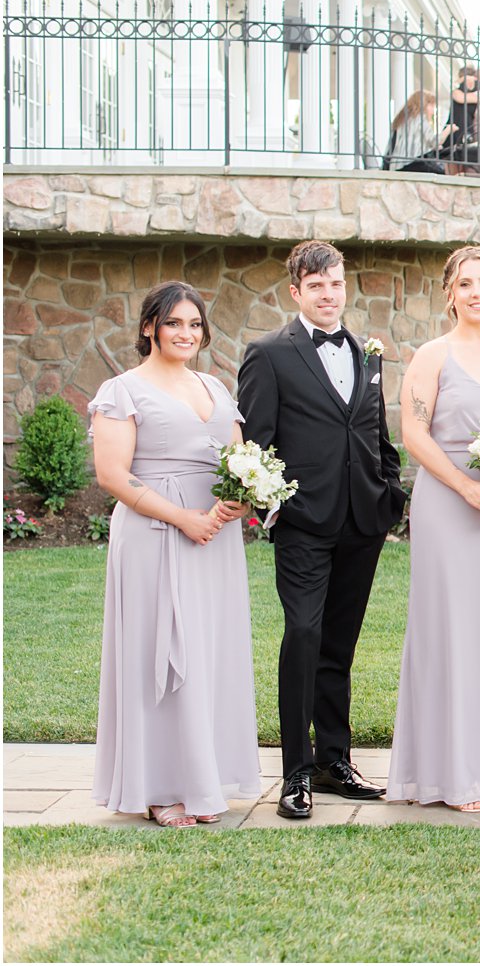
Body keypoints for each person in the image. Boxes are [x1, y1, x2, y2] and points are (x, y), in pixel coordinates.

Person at [237, 240, 408, 820]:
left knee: (339, 647)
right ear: (296, 292)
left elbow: (375, 431)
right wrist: (272, 508)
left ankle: (336, 761)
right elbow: (256, 444)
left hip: (362, 521)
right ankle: (295, 773)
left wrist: (390, 493)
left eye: (335, 283)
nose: (329, 294)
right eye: (316, 286)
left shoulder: (369, 353)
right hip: (304, 523)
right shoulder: (269, 354)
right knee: (303, 637)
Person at [88, 282, 262, 828]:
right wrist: (181, 516)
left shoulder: (214, 385)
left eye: (194, 324)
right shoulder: (122, 390)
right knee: (159, 650)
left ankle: (201, 780)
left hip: (215, 534)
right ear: (149, 329)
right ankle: (159, 788)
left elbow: (239, 457)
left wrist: (239, 499)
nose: (186, 334)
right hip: (155, 531)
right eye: (173, 324)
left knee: (207, 649)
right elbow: (112, 474)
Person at [387, 245, 480, 813]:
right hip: (448, 502)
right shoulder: (433, 355)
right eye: (465, 284)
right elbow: (415, 432)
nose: (477, 292)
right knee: (450, 630)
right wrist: (465, 485)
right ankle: (452, 777)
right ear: (449, 293)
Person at [385, 91, 445, 174]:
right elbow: (435, 141)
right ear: (423, 104)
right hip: (410, 163)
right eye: (431, 105)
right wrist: (448, 130)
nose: (433, 110)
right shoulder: (420, 118)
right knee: (441, 173)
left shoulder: (404, 119)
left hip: (396, 164)